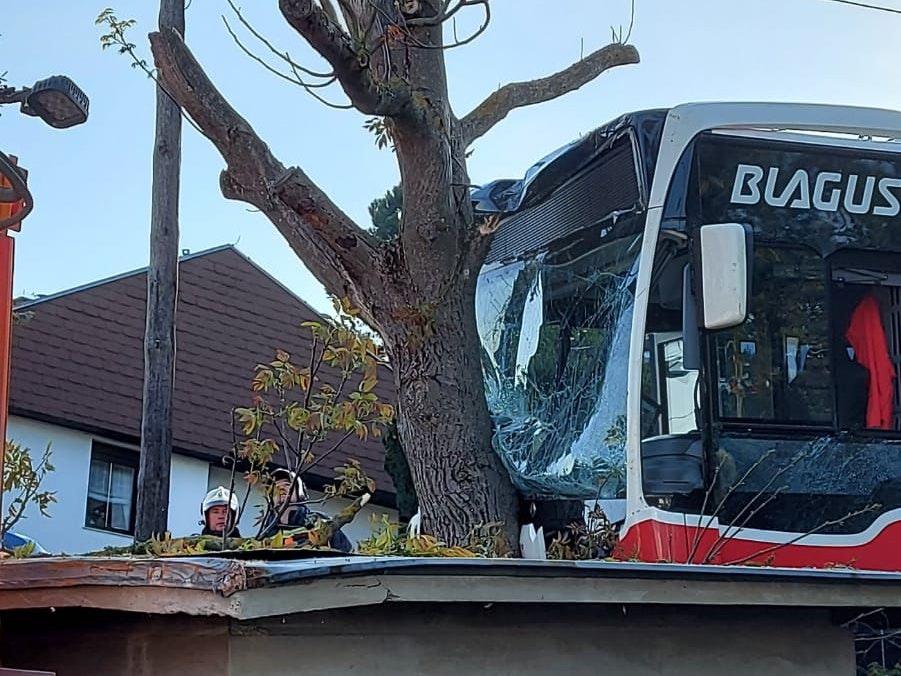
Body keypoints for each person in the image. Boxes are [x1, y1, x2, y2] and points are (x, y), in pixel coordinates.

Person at [259, 469, 353, 552]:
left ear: (299, 492)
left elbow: (347, 554)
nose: (281, 488)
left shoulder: (318, 522)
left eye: (287, 484)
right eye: (275, 487)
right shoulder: (267, 532)